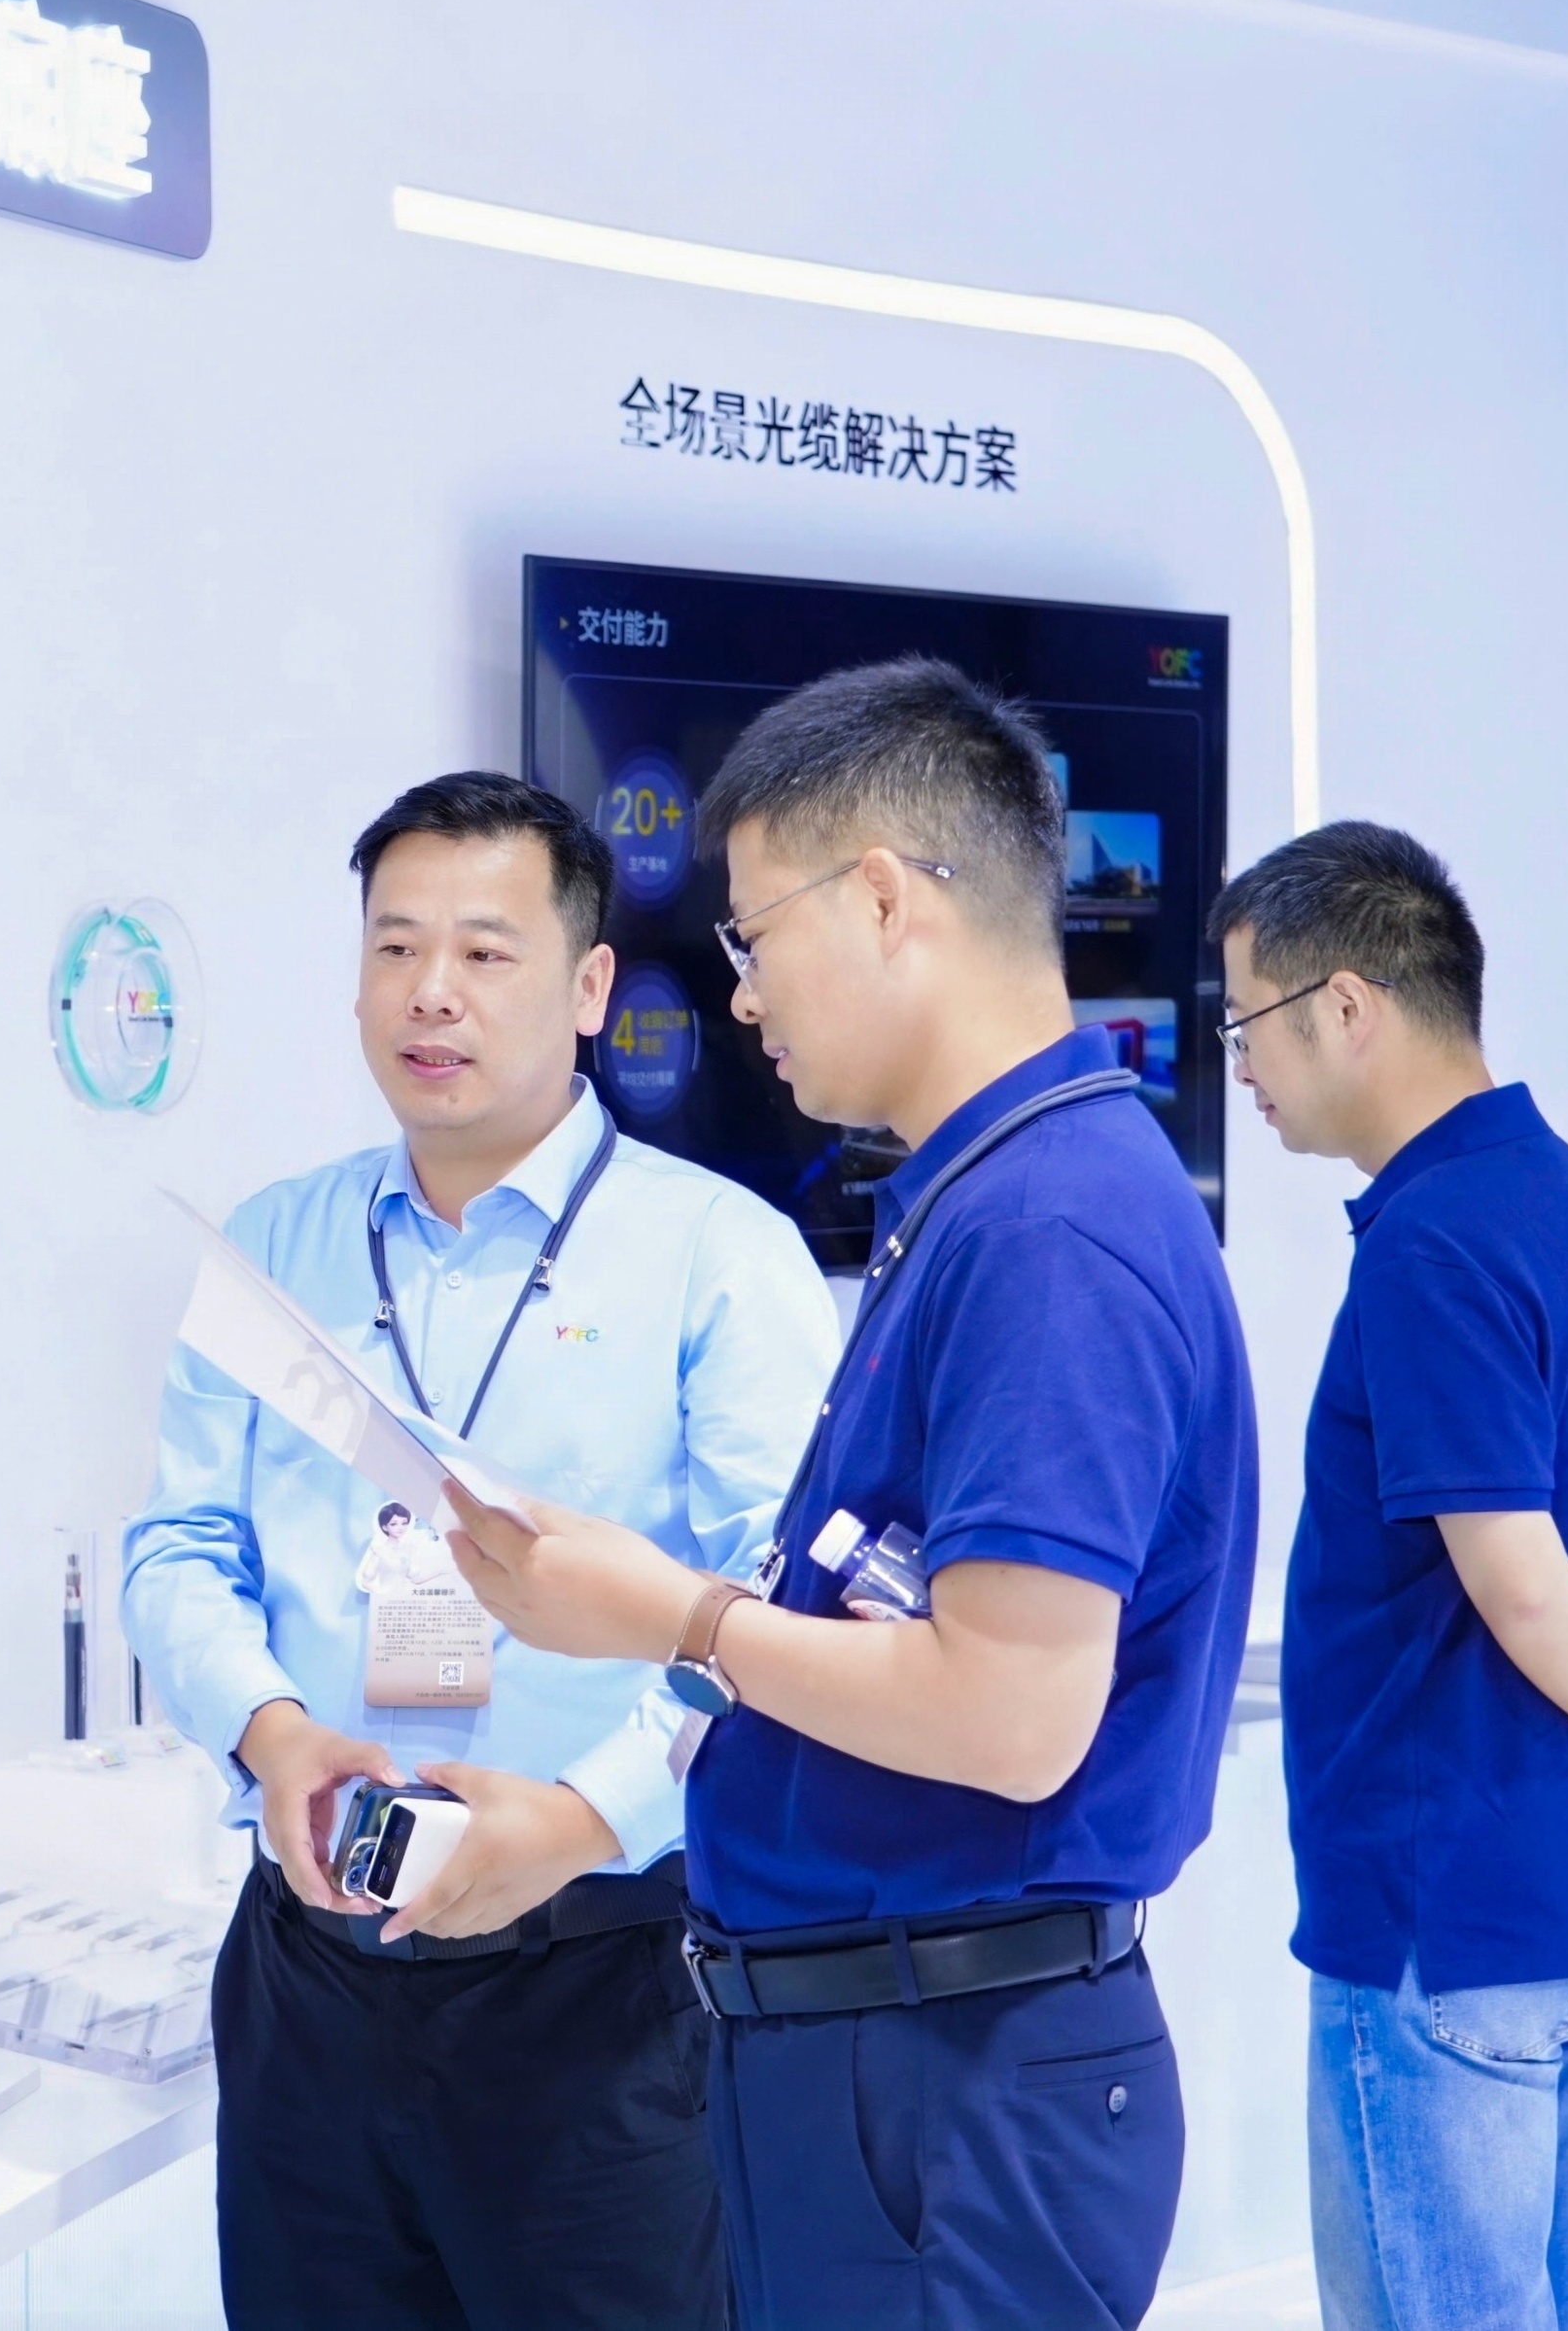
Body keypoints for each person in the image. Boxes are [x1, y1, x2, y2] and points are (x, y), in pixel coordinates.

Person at [444, 660, 1256, 2331]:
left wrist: (671, 1614)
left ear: (884, 897)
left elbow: (1011, 1714)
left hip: (946, 2086)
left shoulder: (1046, 1231)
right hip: (882, 2064)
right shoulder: (982, 1199)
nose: (741, 998)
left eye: (753, 938)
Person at [122, 770, 837, 2331]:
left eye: (484, 952)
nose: (429, 992)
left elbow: (785, 1625)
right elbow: (178, 1545)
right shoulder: (278, 1243)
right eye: (394, 947)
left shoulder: (718, 1258)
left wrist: (582, 1820)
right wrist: (273, 1729)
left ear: (589, 988)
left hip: (604, 1989)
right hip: (312, 1976)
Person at [1210, 820, 1568, 2331]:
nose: (1240, 1066)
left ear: (1346, 1006)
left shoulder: (1434, 1243)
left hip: (1445, 1914)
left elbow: (1515, 1563)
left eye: (1248, 1022)